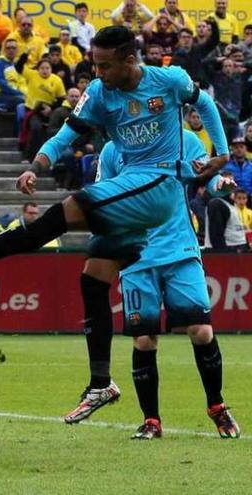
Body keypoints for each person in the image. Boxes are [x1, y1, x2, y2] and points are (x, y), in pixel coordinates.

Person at [0, 26, 230, 420]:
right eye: (94, 64)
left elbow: (204, 103)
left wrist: (221, 152)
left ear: (129, 60)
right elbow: (66, 135)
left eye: (105, 65)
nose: (98, 72)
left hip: (160, 184)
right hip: (132, 187)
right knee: (93, 279)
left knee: (67, 212)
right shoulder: (101, 93)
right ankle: (101, 382)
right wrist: (36, 165)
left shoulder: (168, 80)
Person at [96, 136, 241, 439]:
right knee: (144, 341)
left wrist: (221, 184)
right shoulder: (112, 150)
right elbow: (101, 195)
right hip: (136, 256)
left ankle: (217, 406)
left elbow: (207, 178)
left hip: (180, 249)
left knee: (201, 330)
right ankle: (152, 421)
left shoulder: (184, 139)